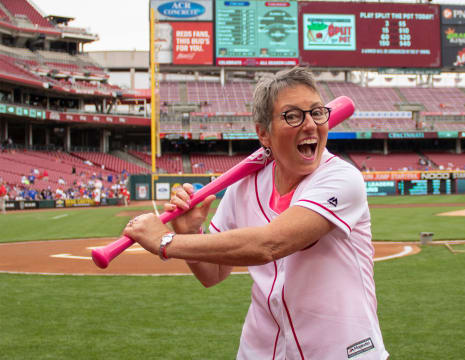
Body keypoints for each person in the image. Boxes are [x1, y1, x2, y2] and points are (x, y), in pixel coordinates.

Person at [124, 67, 388, 359]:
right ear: (263, 133)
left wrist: (167, 242)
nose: (310, 125)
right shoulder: (245, 185)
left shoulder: (341, 178)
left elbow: (268, 244)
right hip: (261, 350)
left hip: (340, 350)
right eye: (292, 116)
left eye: (316, 112)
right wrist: (188, 232)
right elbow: (213, 274)